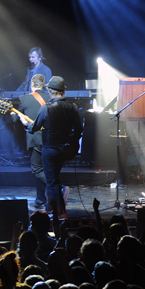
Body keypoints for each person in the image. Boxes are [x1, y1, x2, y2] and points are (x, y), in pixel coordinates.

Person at [28, 76, 82, 220]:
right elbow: (79, 129)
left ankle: (61, 212)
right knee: (54, 178)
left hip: (50, 149)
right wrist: (72, 143)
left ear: (50, 90)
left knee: (52, 181)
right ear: (63, 91)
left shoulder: (45, 108)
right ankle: (51, 207)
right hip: (65, 150)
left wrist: (25, 123)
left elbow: (34, 128)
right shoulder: (72, 107)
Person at [17, 74, 50, 209]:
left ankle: (58, 187)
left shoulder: (24, 99)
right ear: (43, 85)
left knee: (37, 170)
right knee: (45, 169)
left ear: (32, 85)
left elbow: (15, 119)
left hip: (35, 139)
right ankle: (41, 199)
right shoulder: (50, 98)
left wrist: (17, 117)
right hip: (50, 139)